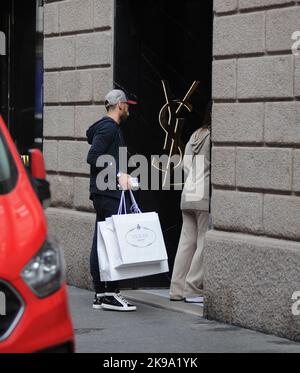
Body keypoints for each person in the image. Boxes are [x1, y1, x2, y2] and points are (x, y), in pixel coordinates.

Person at [86, 89, 137, 312]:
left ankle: (101, 293)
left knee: (102, 241)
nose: (129, 108)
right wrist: (118, 175)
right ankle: (109, 293)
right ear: (119, 105)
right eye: (127, 104)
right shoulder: (108, 127)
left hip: (106, 193)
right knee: (110, 243)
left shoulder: (109, 127)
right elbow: (93, 157)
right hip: (107, 193)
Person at [169, 108, 211, 304]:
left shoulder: (195, 134)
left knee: (186, 243)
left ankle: (176, 289)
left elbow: (185, 165)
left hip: (188, 192)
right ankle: (193, 289)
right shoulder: (213, 136)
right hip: (203, 194)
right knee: (203, 241)